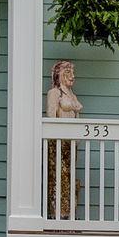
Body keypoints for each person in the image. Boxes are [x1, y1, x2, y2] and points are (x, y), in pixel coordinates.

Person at [46, 60, 82, 218]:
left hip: (71, 142)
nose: (72, 76)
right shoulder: (55, 93)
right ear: (59, 75)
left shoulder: (72, 95)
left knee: (70, 178)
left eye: (72, 72)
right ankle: (57, 216)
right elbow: (51, 115)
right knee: (59, 178)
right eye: (68, 72)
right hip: (58, 142)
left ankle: (69, 214)